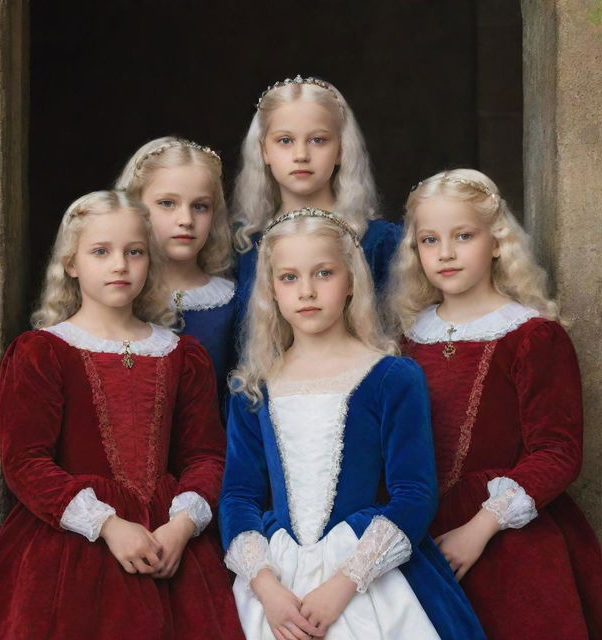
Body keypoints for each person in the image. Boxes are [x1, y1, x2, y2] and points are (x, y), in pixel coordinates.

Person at [0, 191, 244, 640]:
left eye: (134, 252)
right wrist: (108, 524)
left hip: (170, 546)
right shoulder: (43, 352)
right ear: (71, 263)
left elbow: (206, 456)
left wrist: (182, 526)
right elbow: (26, 463)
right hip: (72, 551)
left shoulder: (181, 354)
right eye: (101, 251)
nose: (120, 265)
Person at [220, 208, 485, 640]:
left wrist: (343, 585)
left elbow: (414, 494)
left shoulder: (391, 377)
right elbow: (238, 494)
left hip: (365, 572)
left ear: (351, 281)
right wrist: (266, 587)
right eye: (289, 277)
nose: (306, 291)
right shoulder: (253, 386)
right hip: (275, 579)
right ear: (271, 288)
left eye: (323, 273)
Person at [388, 168, 602, 639]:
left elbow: (558, 452)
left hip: (504, 537)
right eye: (429, 240)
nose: (445, 252)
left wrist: (480, 528)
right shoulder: (406, 340)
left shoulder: (530, 335)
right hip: (419, 530)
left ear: (498, 240)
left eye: (463, 235)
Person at [232, 75, 401, 325]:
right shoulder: (244, 244)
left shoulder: (379, 241)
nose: (301, 155)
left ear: (341, 149)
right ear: (264, 150)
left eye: (318, 140)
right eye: (285, 141)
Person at [117, 136, 236, 400]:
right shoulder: (115, 292)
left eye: (200, 206)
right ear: (135, 207)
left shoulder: (231, 302)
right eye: (167, 203)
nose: (186, 220)